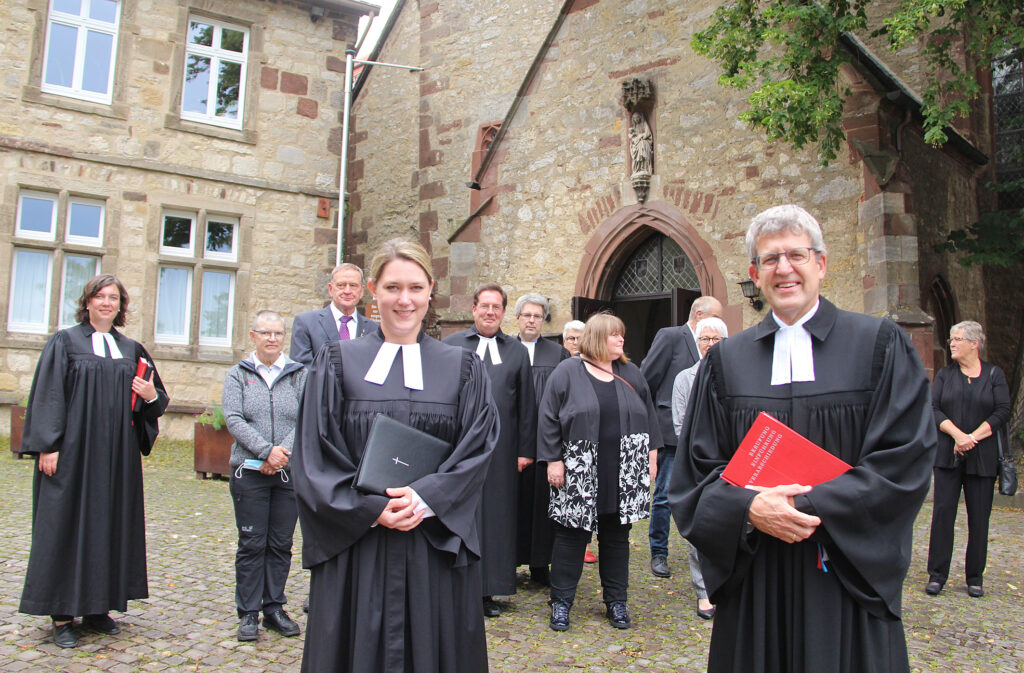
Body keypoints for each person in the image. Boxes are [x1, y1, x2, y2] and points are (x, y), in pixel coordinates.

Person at [668, 204, 935, 673]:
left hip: (845, 579)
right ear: (755, 273)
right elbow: (695, 475)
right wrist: (749, 509)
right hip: (756, 580)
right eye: (770, 259)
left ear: (821, 264)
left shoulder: (878, 346)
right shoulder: (725, 363)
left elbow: (904, 461)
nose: (784, 269)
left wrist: (802, 507)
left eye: (796, 255)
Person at [292, 239, 499, 672]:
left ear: (430, 290)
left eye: (415, 288)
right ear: (372, 290)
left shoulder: (462, 368)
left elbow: (477, 448)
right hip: (358, 544)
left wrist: (426, 499)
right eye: (391, 288)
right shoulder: (336, 362)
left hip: (432, 544)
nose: (404, 300)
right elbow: (314, 452)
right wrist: (371, 508)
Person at [17, 274, 168, 648]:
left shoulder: (132, 349)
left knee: (110, 525)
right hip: (73, 454)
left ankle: (100, 607)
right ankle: (63, 614)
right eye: (99, 296)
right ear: (87, 302)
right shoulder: (65, 342)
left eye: (113, 297)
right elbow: (49, 395)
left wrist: (150, 395)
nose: (106, 302)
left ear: (121, 306)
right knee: (65, 525)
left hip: (117, 458)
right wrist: (47, 446)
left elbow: (156, 401)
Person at [538, 312, 662, 632]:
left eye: (622, 335)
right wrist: (553, 460)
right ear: (596, 338)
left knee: (617, 537)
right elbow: (549, 417)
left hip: (624, 469)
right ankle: (562, 602)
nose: (621, 340)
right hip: (579, 469)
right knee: (571, 536)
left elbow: (649, 418)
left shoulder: (631, 373)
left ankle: (616, 601)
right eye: (614, 335)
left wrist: (651, 457)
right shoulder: (567, 372)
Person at [443, 284, 536, 617]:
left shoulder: (516, 351)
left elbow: (527, 405)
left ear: (503, 312)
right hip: (460, 447)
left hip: (503, 447)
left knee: (497, 519)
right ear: (473, 309)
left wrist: (525, 450)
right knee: (463, 514)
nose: (490, 312)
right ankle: (456, 585)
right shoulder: (452, 345)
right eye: (485, 306)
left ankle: (487, 589)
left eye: (497, 307)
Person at [222, 311, 307, 642]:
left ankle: (273, 607)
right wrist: (264, 451)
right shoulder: (238, 375)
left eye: (278, 333)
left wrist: (281, 454)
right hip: (249, 471)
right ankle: (248, 613)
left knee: (280, 543)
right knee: (252, 543)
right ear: (252, 335)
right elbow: (233, 418)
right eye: (265, 333)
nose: (272, 339)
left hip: (287, 473)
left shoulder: (299, 374)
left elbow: (306, 418)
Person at [925, 321, 1011, 598]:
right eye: (951, 339)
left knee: (979, 518)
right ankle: (937, 574)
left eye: (957, 339)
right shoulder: (945, 375)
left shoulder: (994, 375)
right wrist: (958, 435)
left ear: (974, 343)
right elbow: (933, 407)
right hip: (948, 455)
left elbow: (1001, 411)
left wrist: (972, 437)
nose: (951, 343)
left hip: (982, 457)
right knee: (942, 515)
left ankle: (975, 576)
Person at [641, 295, 722, 579]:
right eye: (714, 317)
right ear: (699, 314)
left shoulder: (715, 344)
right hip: (670, 430)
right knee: (664, 495)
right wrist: (649, 427)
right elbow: (645, 379)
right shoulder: (671, 336)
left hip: (706, 434)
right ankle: (659, 551)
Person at [669, 317, 729, 620]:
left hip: (732, 465)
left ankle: (729, 584)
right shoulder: (684, 379)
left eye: (715, 339)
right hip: (698, 465)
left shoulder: (736, 376)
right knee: (700, 532)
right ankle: (704, 591)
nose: (709, 344)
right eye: (704, 339)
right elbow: (680, 426)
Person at [514, 293, 570, 586]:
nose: (532, 320)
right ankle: (507, 562)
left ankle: (539, 565)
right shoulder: (506, 349)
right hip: (512, 445)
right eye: (527, 315)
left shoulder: (557, 353)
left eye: (538, 316)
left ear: (543, 320)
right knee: (512, 507)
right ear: (518, 319)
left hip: (546, 442)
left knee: (542, 507)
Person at [290, 263, 374, 366]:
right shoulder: (306, 323)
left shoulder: (373, 329)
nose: (347, 291)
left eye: (353, 285)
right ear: (330, 289)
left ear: (361, 291)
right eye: (341, 285)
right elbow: (302, 372)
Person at [562, 319, 596, 563]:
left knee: (587, 493)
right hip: (562, 440)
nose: (575, 343)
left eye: (579, 338)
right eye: (571, 338)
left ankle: (585, 542)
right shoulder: (559, 367)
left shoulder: (594, 368)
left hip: (586, 442)